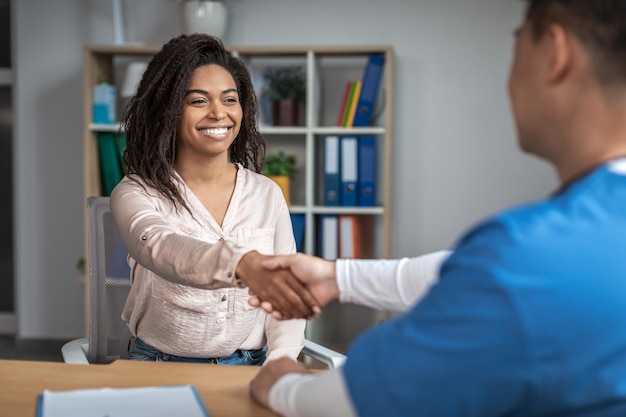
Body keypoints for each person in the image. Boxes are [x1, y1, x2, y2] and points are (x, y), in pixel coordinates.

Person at [249, 0, 626, 415]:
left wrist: (281, 381)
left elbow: (356, 402)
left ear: (556, 53)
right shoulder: (552, 253)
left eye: (518, 44)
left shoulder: (526, 256)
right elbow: (473, 276)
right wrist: (340, 277)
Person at [110, 33, 317, 366]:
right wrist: (240, 264)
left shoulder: (266, 194)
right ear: (168, 110)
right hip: (158, 366)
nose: (219, 113)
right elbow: (160, 247)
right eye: (198, 100)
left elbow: (285, 299)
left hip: (249, 365)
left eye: (229, 99)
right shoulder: (136, 192)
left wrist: (280, 361)